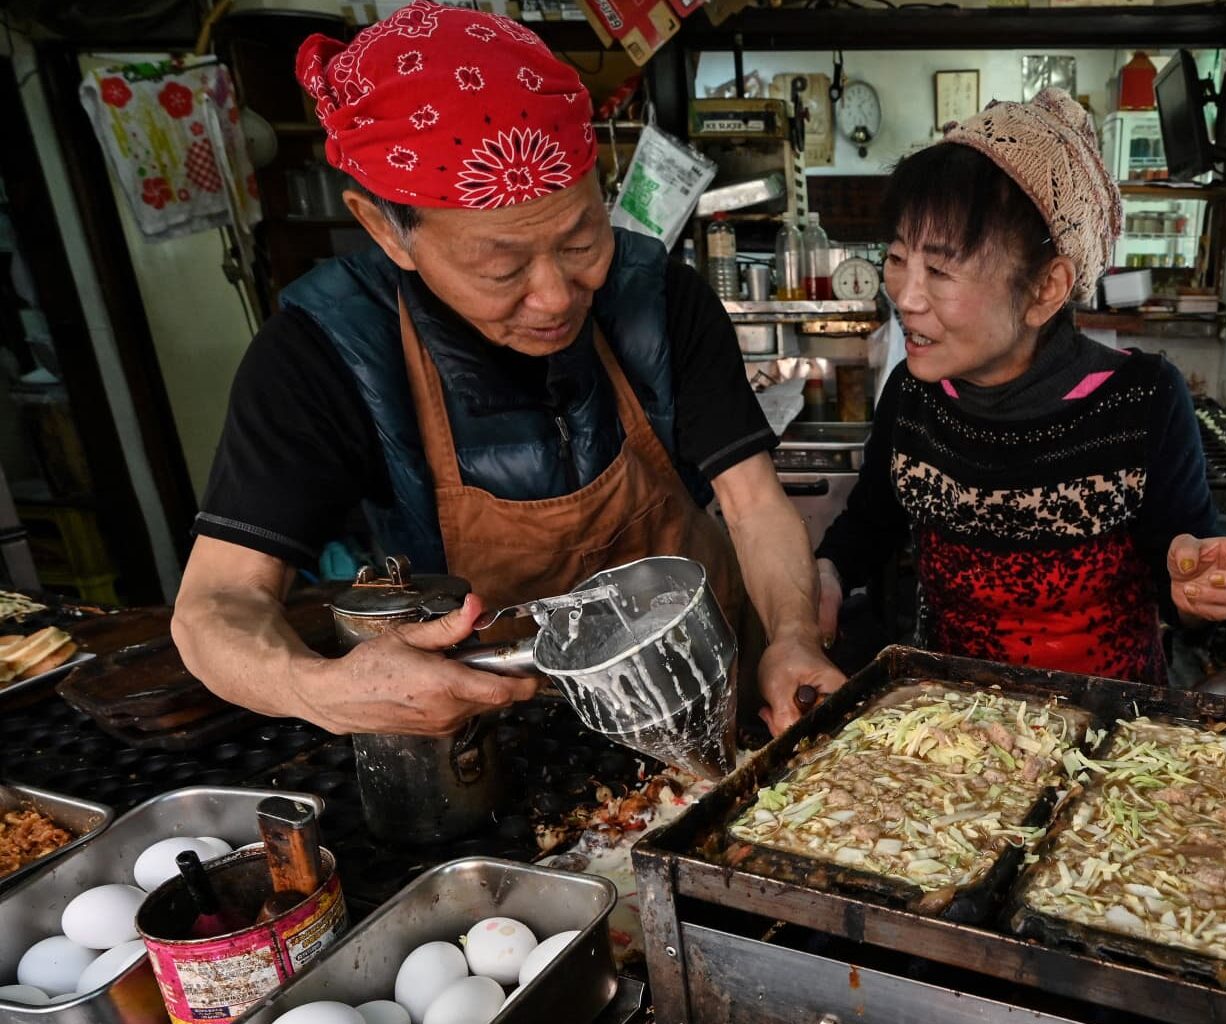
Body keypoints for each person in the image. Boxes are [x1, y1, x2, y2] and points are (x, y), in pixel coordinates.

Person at [172, 1, 841, 737]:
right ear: (383, 230)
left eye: (582, 240)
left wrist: (792, 636)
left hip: (705, 694)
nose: (556, 296)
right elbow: (214, 608)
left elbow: (752, 505)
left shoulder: (657, 297)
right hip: (497, 743)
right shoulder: (323, 352)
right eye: (502, 266)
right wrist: (320, 690)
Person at [813, 90, 1226, 683]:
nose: (905, 295)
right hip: (947, 734)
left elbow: (1180, 573)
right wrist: (827, 575)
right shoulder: (912, 395)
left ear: (1047, 288)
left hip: (1109, 736)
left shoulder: (1142, 400)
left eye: (941, 271)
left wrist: (1197, 586)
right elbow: (870, 525)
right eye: (898, 257)